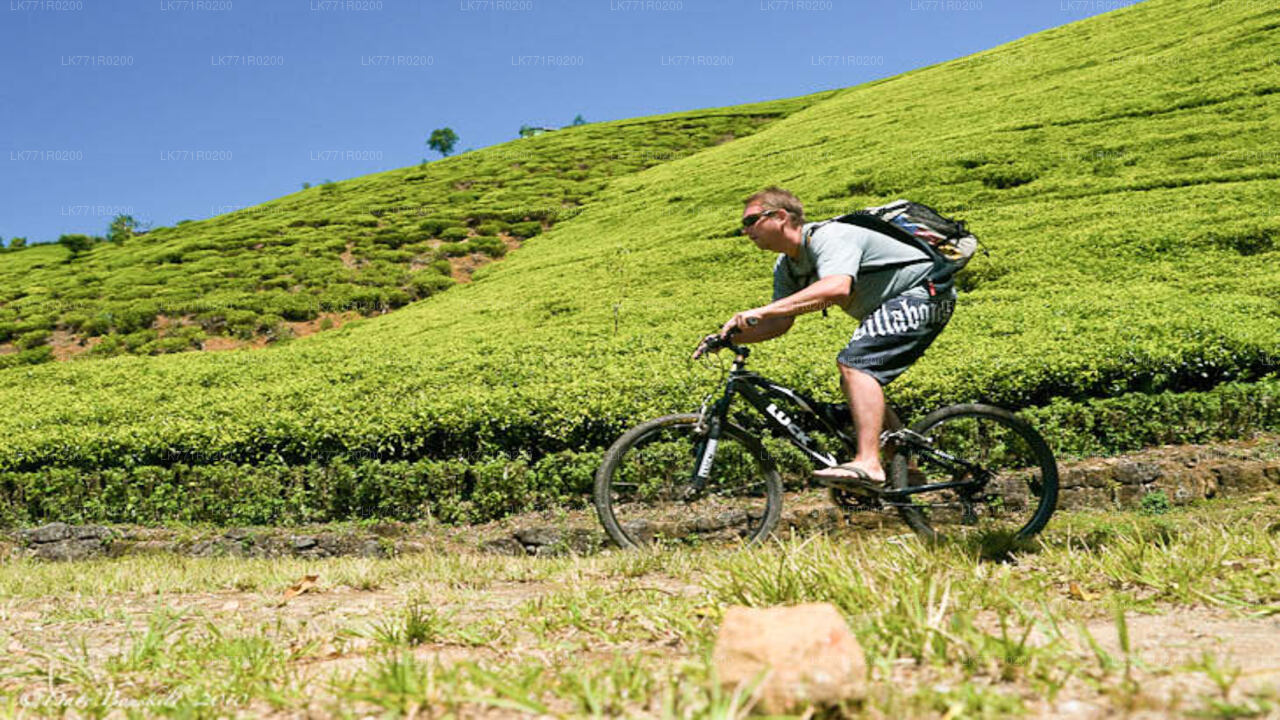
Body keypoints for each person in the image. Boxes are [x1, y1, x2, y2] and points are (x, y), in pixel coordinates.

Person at [702, 186, 956, 489]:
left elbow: (837, 288)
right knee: (854, 378)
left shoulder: (830, 236)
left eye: (751, 221)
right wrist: (729, 338)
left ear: (781, 216)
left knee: (856, 366)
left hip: (925, 292)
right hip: (890, 305)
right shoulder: (787, 265)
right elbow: (781, 322)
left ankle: (869, 463)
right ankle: (906, 469)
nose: (746, 231)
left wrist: (762, 310)